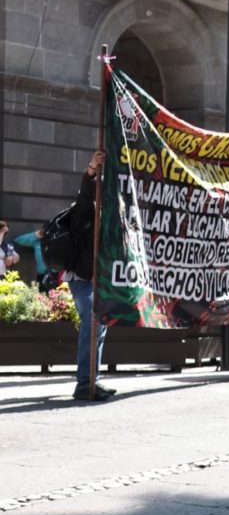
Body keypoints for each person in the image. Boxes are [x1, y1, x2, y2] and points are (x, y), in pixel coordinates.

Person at [68, 150, 117, 401]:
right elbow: (84, 195)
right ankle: (84, 383)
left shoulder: (109, 220)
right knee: (92, 324)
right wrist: (91, 169)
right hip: (82, 278)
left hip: (100, 280)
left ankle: (93, 380)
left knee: (99, 329)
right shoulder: (83, 213)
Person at [15, 225, 58, 291]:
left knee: (58, 297)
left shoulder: (58, 242)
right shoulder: (37, 242)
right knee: (42, 297)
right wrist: (35, 235)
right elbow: (18, 240)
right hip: (41, 275)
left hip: (56, 274)